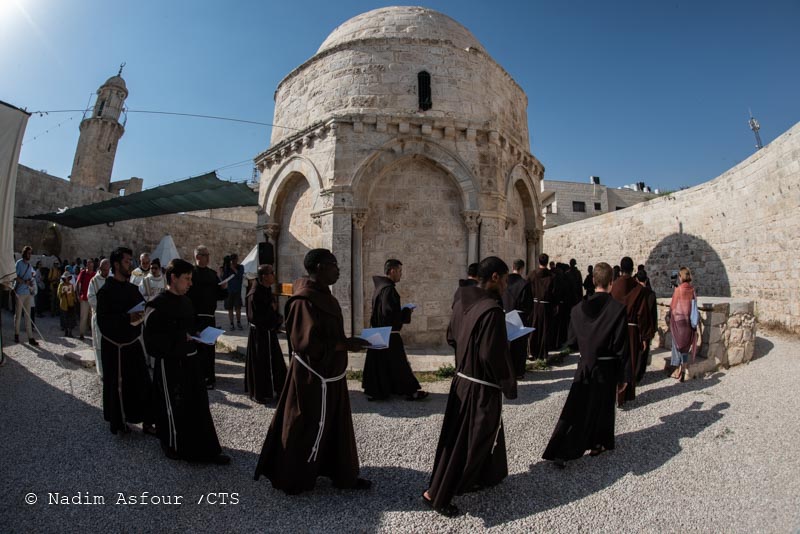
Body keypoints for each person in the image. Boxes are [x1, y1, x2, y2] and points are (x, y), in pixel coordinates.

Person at [254, 248, 370, 494]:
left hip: (332, 375)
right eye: (334, 264)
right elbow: (305, 343)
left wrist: (346, 343)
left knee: (336, 426)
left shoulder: (326, 297)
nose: (339, 269)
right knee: (305, 425)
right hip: (311, 377)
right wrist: (345, 344)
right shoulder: (303, 301)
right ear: (319, 267)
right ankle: (294, 477)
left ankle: (342, 473)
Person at [424, 256, 517, 517]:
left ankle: (484, 477)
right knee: (468, 442)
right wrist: (507, 382)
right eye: (506, 279)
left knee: (458, 437)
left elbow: (451, 336)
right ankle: (438, 495)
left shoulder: (461, 302)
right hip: (480, 388)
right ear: (495, 277)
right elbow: (491, 355)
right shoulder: (492, 311)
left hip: (462, 380)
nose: (507, 285)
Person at [144, 258, 230, 464]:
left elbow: (189, 325)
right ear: (173, 278)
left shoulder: (186, 301)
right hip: (170, 365)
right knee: (174, 405)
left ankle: (205, 447)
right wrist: (180, 339)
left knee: (197, 404)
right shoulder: (156, 305)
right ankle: (174, 444)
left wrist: (199, 333)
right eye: (187, 279)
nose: (190, 283)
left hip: (191, 362)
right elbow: (153, 342)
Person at [542, 262, 629, 467]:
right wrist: (623, 376)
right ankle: (597, 443)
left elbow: (571, 341)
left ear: (592, 280)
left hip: (585, 364)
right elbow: (621, 347)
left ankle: (563, 447)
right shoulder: (617, 309)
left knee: (577, 407)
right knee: (603, 406)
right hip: (606, 367)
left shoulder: (578, 309)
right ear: (611, 282)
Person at [96, 246, 155, 436]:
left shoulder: (132, 289)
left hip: (132, 344)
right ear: (116, 264)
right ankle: (119, 422)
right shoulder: (105, 291)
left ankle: (148, 421)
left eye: (131, 261)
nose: (131, 264)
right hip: (115, 347)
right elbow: (103, 322)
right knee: (118, 386)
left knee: (143, 383)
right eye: (127, 261)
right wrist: (126, 319)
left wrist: (142, 315)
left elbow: (140, 309)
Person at [361, 259, 428, 401]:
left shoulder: (380, 288)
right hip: (390, 334)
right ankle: (411, 392)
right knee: (400, 365)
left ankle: (378, 391)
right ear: (392, 271)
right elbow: (389, 314)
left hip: (379, 332)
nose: (401, 275)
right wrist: (406, 312)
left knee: (381, 364)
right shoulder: (389, 289)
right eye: (399, 271)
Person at [610, 257, 653, 407]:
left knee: (616, 360)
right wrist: (645, 336)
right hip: (632, 330)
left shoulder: (614, 287)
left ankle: (615, 392)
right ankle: (625, 393)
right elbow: (642, 314)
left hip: (616, 329)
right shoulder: (638, 289)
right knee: (631, 362)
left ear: (621, 268)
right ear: (632, 269)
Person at [244, 264, 287, 403]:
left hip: (268, 333)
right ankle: (262, 393)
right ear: (264, 276)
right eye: (271, 273)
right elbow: (255, 316)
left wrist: (275, 316)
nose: (274, 275)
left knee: (275, 362)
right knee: (262, 363)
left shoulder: (266, 289)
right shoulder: (255, 293)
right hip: (260, 334)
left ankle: (277, 389)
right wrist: (273, 314)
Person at [187, 246, 227, 389]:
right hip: (195, 317)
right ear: (197, 257)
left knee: (209, 349)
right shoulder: (190, 273)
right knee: (197, 349)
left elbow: (220, 296)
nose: (208, 257)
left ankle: (210, 378)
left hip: (209, 317)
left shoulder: (212, 274)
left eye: (208, 254)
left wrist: (224, 288)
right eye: (205, 255)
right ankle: (197, 378)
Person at [502, 258, 532, 378]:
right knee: (519, 345)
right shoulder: (524, 284)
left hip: (505, 315)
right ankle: (518, 372)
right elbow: (528, 304)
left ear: (513, 267)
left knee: (507, 344)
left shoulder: (504, 281)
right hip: (519, 316)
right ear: (521, 269)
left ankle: (506, 371)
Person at [669, 267, 697, 382]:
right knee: (685, 347)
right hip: (688, 323)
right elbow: (694, 306)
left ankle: (676, 371)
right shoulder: (692, 290)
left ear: (681, 277)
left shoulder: (678, 290)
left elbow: (673, 307)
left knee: (676, 345)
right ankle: (684, 369)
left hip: (679, 322)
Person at [527, 253, 557, 360]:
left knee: (534, 327)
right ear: (547, 262)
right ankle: (544, 353)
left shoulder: (532, 274)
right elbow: (554, 293)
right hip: (547, 306)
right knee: (545, 329)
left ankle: (532, 352)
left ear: (538, 261)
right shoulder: (552, 276)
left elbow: (528, 290)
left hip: (535, 305)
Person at [87, 258, 110, 376]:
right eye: (104, 270)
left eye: (108, 270)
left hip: (111, 317)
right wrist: (103, 305)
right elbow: (91, 297)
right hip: (99, 315)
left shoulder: (111, 279)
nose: (106, 272)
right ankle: (101, 371)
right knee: (99, 342)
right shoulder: (94, 281)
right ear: (100, 269)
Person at [635, 269, 658, 383]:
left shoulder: (635, 292)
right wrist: (654, 328)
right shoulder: (651, 294)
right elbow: (654, 313)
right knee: (644, 352)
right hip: (648, 326)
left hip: (637, 325)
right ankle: (640, 374)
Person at [13, 246, 39, 345]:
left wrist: (31, 283)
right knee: (18, 315)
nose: (30, 255)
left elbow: (31, 277)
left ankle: (30, 337)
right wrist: (24, 282)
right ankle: (16, 334)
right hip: (20, 292)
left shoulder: (29, 265)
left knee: (28, 316)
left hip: (28, 292)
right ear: (24, 253)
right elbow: (15, 277)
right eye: (28, 253)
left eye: (30, 253)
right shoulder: (19, 263)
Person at [223, 253, 245, 330]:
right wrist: (225, 267)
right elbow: (224, 278)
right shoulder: (227, 268)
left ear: (237, 260)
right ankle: (231, 323)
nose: (233, 262)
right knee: (230, 308)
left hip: (237, 291)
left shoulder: (240, 267)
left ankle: (239, 322)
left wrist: (233, 268)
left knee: (238, 308)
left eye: (234, 260)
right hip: (229, 291)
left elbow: (240, 276)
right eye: (232, 260)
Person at [76, 258, 95, 341]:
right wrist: (77, 295)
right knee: (83, 316)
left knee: (93, 317)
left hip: (92, 299)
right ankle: (81, 333)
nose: (89, 265)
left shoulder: (95, 274)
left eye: (91, 264)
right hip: (84, 298)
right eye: (88, 264)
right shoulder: (83, 273)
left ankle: (94, 334)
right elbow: (77, 283)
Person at [57, 271, 78, 337]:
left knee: (70, 319)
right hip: (64, 304)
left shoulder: (71, 285)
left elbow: (73, 294)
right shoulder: (61, 285)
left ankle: (70, 332)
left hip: (70, 304)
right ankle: (66, 331)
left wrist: (74, 300)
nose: (67, 279)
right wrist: (63, 293)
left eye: (68, 277)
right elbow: (58, 294)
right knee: (65, 318)